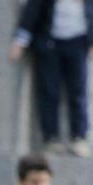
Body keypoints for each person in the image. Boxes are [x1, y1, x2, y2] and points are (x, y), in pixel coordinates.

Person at [10, 0, 93, 156]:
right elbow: (31, 13)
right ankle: (50, 138)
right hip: (50, 44)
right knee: (49, 91)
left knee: (78, 92)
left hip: (78, 44)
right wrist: (20, 40)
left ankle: (79, 137)